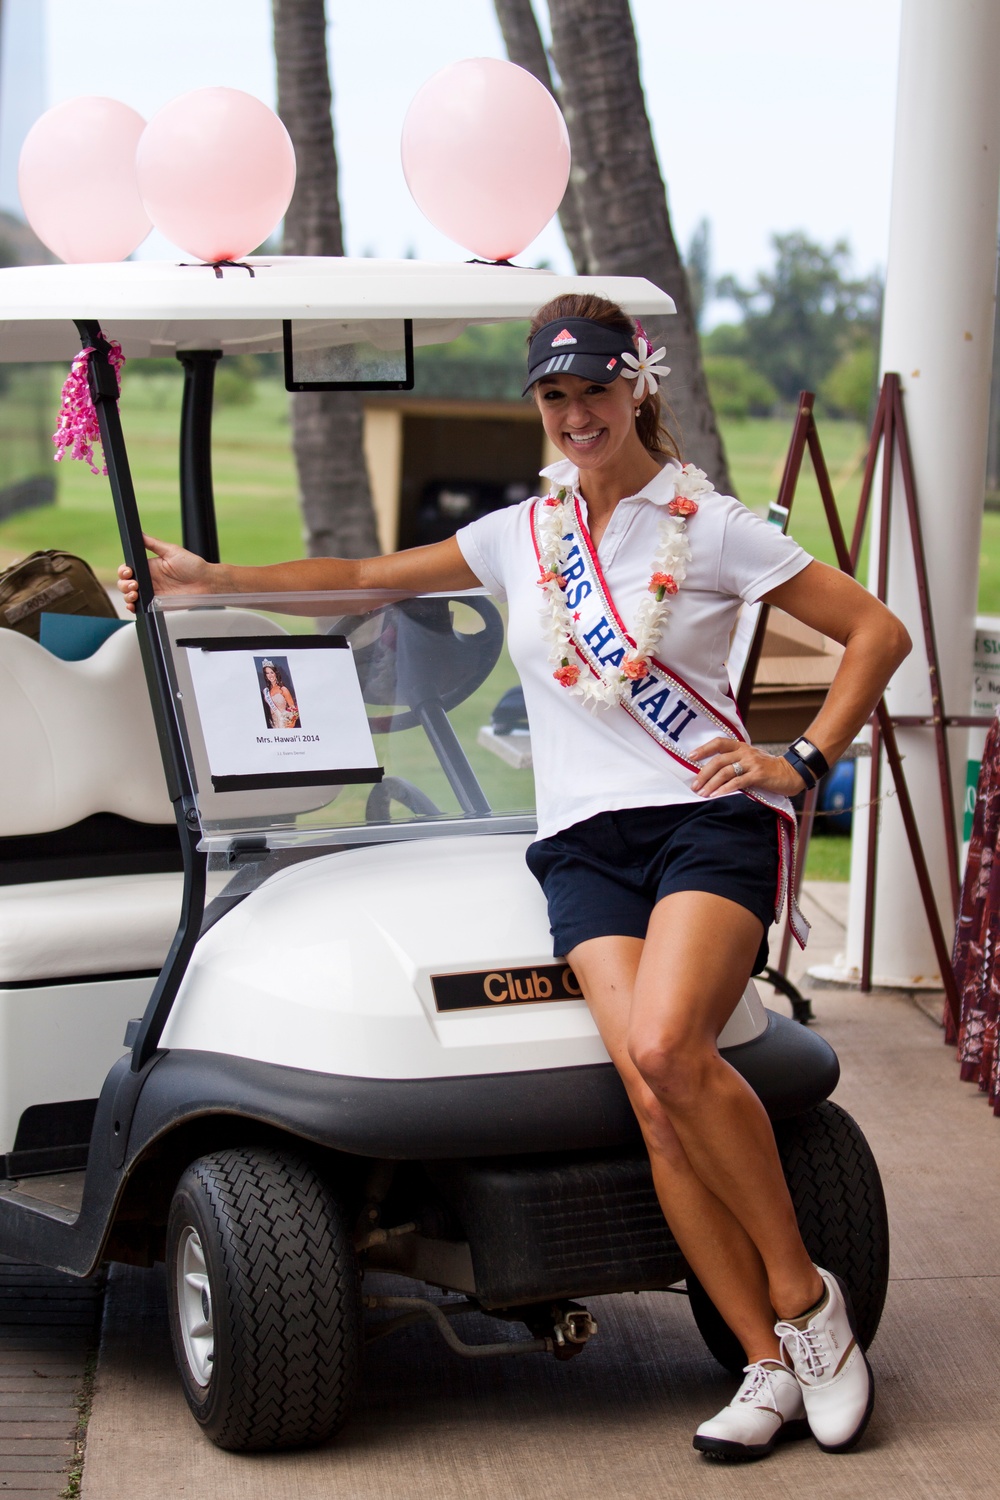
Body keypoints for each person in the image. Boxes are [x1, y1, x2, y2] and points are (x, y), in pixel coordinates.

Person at [118, 293, 909, 1462]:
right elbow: (358, 575)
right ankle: (757, 1360)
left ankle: (807, 1310)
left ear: (636, 387)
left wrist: (800, 758)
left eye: (593, 390)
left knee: (663, 1052)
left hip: (700, 829)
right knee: (652, 1100)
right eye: (553, 396)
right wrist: (206, 579)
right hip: (582, 844)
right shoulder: (516, 537)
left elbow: (875, 632)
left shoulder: (713, 525)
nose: (575, 414)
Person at [260, 660, 299, 729]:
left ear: (276, 673)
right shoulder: (266, 691)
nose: (270, 675)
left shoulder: (283, 689)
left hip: (284, 723)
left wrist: (293, 722)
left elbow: (293, 708)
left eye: (272, 672)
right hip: (273, 723)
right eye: (267, 673)